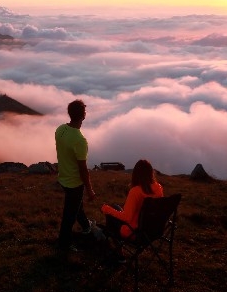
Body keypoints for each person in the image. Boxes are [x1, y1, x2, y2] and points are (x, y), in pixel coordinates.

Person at [55, 99, 96, 251]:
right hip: (74, 183)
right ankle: (64, 244)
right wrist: (90, 190)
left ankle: (86, 226)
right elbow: (83, 169)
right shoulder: (80, 140)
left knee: (76, 205)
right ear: (83, 116)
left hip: (63, 178)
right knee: (69, 216)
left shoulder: (60, 130)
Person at [101, 159, 164, 238]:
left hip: (134, 232)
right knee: (115, 207)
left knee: (110, 213)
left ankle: (112, 242)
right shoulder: (158, 187)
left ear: (136, 174)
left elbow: (127, 218)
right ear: (151, 172)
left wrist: (106, 209)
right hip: (152, 230)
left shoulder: (135, 192)